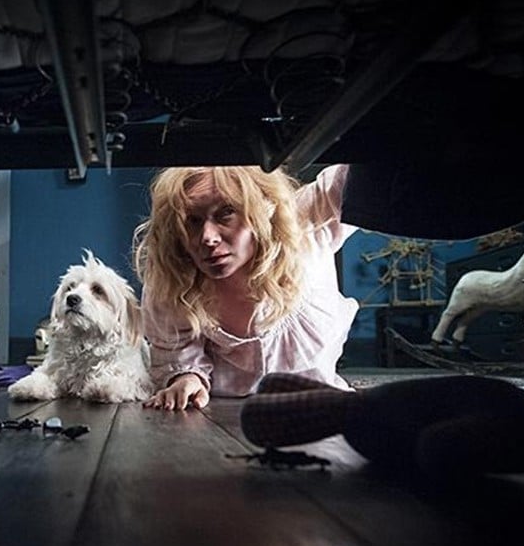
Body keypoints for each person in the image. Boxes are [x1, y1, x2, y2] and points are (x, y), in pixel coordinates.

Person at [132, 164, 357, 410]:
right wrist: (187, 379)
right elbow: (177, 350)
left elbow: (357, 172)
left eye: (226, 213)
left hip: (323, 410)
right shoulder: (174, 278)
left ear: (262, 209)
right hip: (220, 418)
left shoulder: (306, 222)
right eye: (192, 221)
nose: (208, 237)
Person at [240, 369, 524, 481]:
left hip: (368, 412)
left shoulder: (516, 410)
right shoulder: (523, 434)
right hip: (369, 414)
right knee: (262, 405)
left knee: (267, 398)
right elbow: (436, 448)